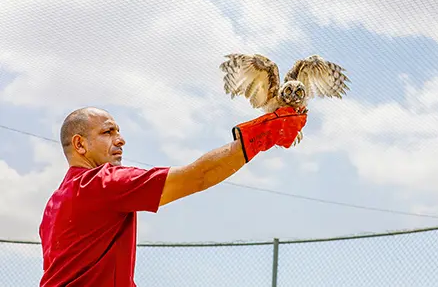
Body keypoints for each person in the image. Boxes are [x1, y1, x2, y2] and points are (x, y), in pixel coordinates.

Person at [39, 106, 307, 286]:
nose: (120, 139)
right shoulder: (103, 184)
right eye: (108, 132)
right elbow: (198, 175)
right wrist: (262, 135)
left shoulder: (53, 205)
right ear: (80, 144)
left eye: (119, 131)